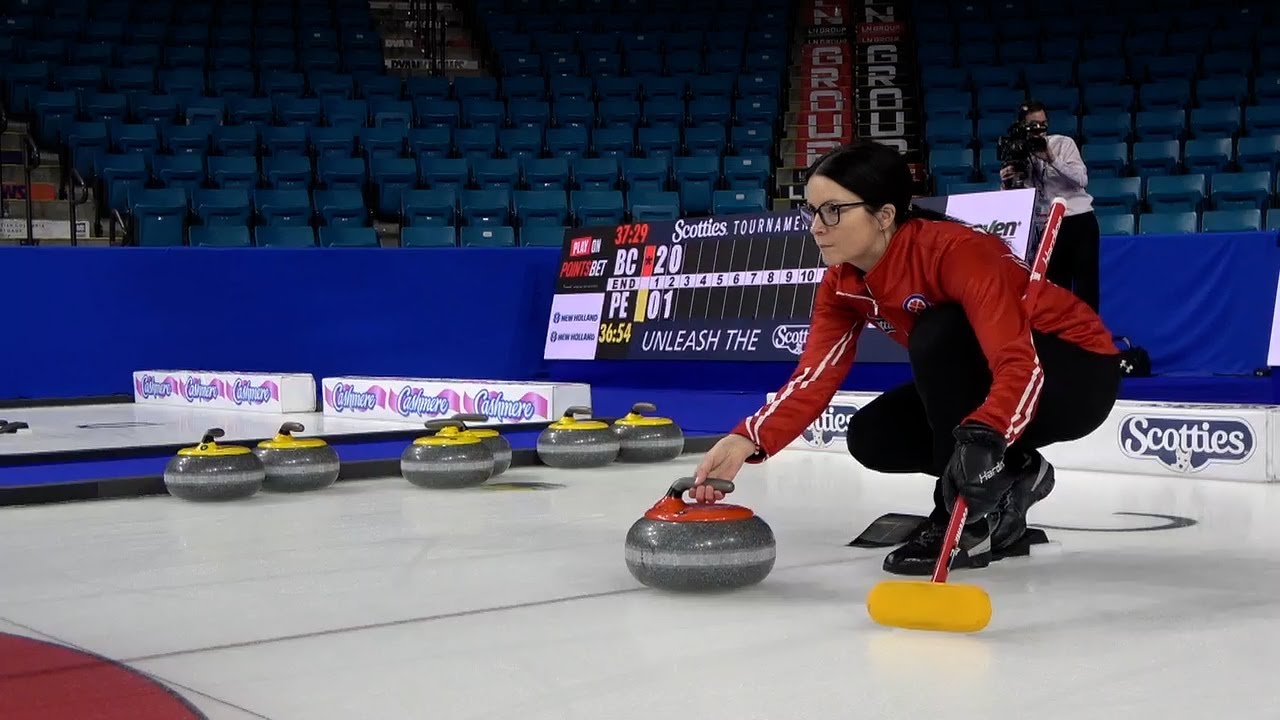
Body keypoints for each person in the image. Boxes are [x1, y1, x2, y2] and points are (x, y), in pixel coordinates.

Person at [692, 140, 1121, 576]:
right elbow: (814, 376)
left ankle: (964, 521)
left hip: (1073, 373)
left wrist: (987, 436)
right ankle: (1014, 474)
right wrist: (748, 438)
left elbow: (1018, 362)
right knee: (873, 436)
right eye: (812, 211)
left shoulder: (957, 252)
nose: (817, 227)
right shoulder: (841, 283)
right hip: (1001, 374)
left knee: (939, 334)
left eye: (833, 210)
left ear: (884, 215)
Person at [1000, 100, 1101, 312]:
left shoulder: (1063, 144)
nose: (1040, 130)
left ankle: (1091, 340)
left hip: (1077, 220)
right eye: (1034, 125)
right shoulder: (1019, 153)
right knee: (1055, 288)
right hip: (1046, 227)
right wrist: (1007, 182)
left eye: (1043, 124)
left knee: (1086, 289)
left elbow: (1081, 179)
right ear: (1022, 126)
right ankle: (1060, 339)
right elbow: (1017, 201)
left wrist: (1052, 158)